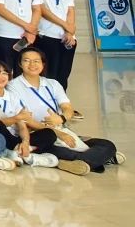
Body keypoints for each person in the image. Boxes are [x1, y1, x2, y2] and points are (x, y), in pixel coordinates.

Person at [12, 46, 123, 174]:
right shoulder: (13, 87)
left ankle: (80, 161)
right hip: (38, 135)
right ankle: (100, 159)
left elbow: (68, 108)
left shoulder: (52, 84)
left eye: (36, 61)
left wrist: (61, 118)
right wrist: (58, 133)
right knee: (57, 147)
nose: (32, 64)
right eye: (27, 61)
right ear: (20, 64)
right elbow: (24, 120)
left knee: (107, 144)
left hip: (60, 128)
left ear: (43, 64)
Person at [0, 59, 61, 169]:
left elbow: (22, 125)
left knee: (49, 133)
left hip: (13, 137)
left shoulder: (12, 96)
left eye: (4, 73)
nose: (0, 77)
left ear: (9, 76)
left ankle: (21, 150)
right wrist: (17, 117)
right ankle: (28, 154)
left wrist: (25, 141)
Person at [38, 0, 79, 92]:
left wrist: (69, 31)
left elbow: (70, 10)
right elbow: (41, 9)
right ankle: (47, 102)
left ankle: (62, 102)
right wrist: (65, 25)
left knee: (63, 75)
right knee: (48, 74)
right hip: (47, 34)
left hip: (67, 37)